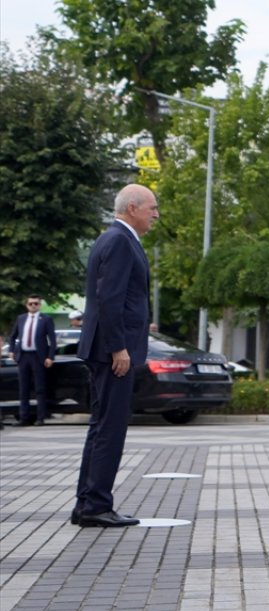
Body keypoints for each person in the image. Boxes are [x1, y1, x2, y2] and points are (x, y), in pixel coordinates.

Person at [74, 184, 158, 528]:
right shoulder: (120, 241)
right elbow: (109, 299)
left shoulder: (114, 239)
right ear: (133, 208)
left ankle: (88, 504)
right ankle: (95, 506)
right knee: (110, 428)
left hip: (106, 347)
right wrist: (118, 347)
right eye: (152, 208)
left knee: (101, 426)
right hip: (112, 352)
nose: (156, 214)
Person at [8, 294, 57, 425]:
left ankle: (40, 417)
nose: (33, 306)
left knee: (39, 388)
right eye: (31, 304)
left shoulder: (45, 319)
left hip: (38, 356)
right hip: (23, 356)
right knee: (23, 388)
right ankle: (24, 417)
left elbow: (52, 340)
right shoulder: (21, 318)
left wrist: (50, 356)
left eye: (36, 303)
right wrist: (11, 350)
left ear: (40, 305)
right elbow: (12, 337)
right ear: (27, 305)